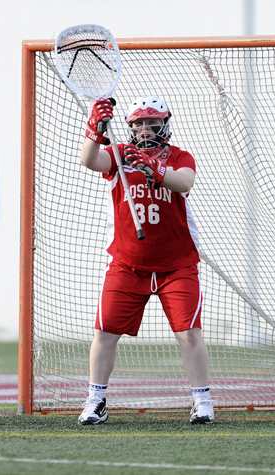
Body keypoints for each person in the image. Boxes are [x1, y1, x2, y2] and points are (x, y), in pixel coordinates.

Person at [78, 95, 214, 425]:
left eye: (151, 121)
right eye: (138, 123)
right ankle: (96, 399)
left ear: (164, 124)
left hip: (176, 263)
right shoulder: (120, 154)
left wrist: (154, 166)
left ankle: (202, 400)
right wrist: (95, 130)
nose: (144, 128)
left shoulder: (181, 156)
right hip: (127, 262)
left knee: (189, 333)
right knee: (105, 332)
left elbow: (184, 182)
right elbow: (89, 160)